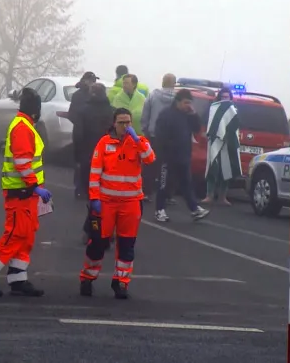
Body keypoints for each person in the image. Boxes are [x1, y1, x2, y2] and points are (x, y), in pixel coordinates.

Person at [0, 87, 49, 297]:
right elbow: (22, 162)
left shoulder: (24, 125)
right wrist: (35, 186)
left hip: (27, 192)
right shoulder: (23, 127)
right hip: (21, 192)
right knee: (15, 234)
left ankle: (18, 278)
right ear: (36, 110)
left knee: (26, 235)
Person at [79, 107, 155, 299]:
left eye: (128, 122)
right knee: (98, 243)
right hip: (106, 203)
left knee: (127, 245)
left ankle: (121, 282)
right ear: (114, 123)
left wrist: (137, 140)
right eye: (121, 122)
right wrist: (94, 198)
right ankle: (87, 279)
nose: (125, 126)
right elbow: (95, 173)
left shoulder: (139, 142)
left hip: (131, 203)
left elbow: (150, 158)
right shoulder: (104, 143)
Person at [153, 89, 210, 222]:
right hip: (167, 156)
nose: (188, 106)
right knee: (164, 184)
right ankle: (159, 210)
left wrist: (194, 114)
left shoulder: (188, 115)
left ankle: (194, 209)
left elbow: (196, 129)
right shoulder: (166, 114)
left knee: (186, 183)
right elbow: (160, 135)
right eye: (185, 103)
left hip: (183, 156)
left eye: (190, 103)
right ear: (178, 102)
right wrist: (164, 152)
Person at [201, 87, 242, 205]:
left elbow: (235, 124)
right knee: (212, 167)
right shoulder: (213, 108)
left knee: (227, 169)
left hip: (228, 142)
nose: (225, 99)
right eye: (223, 97)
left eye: (227, 97)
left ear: (230, 97)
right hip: (215, 141)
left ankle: (222, 197)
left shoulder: (233, 109)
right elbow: (209, 122)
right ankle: (209, 195)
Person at [73, 83, 115, 198]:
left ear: (91, 94)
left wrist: (77, 153)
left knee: (87, 169)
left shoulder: (83, 111)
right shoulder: (111, 111)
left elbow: (78, 133)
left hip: (87, 146)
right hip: (105, 147)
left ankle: (86, 191)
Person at [140, 73, 177, 202]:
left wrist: (145, 129)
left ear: (163, 82)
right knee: (169, 166)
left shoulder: (152, 95)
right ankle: (168, 195)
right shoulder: (178, 99)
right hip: (171, 138)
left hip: (153, 136)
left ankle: (146, 192)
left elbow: (145, 114)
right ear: (174, 83)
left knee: (149, 165)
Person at [69, 71, 99, 198]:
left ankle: (88, 187)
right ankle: (79, 188)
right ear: (85, 80)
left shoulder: (94, 95)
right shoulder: (78, 95)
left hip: (92, 133)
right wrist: (81, 123)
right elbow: (72, 114)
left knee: (91, 161)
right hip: (80, 133)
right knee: (81, 161)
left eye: (94, 81)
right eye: (91, 81)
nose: (93, 83)